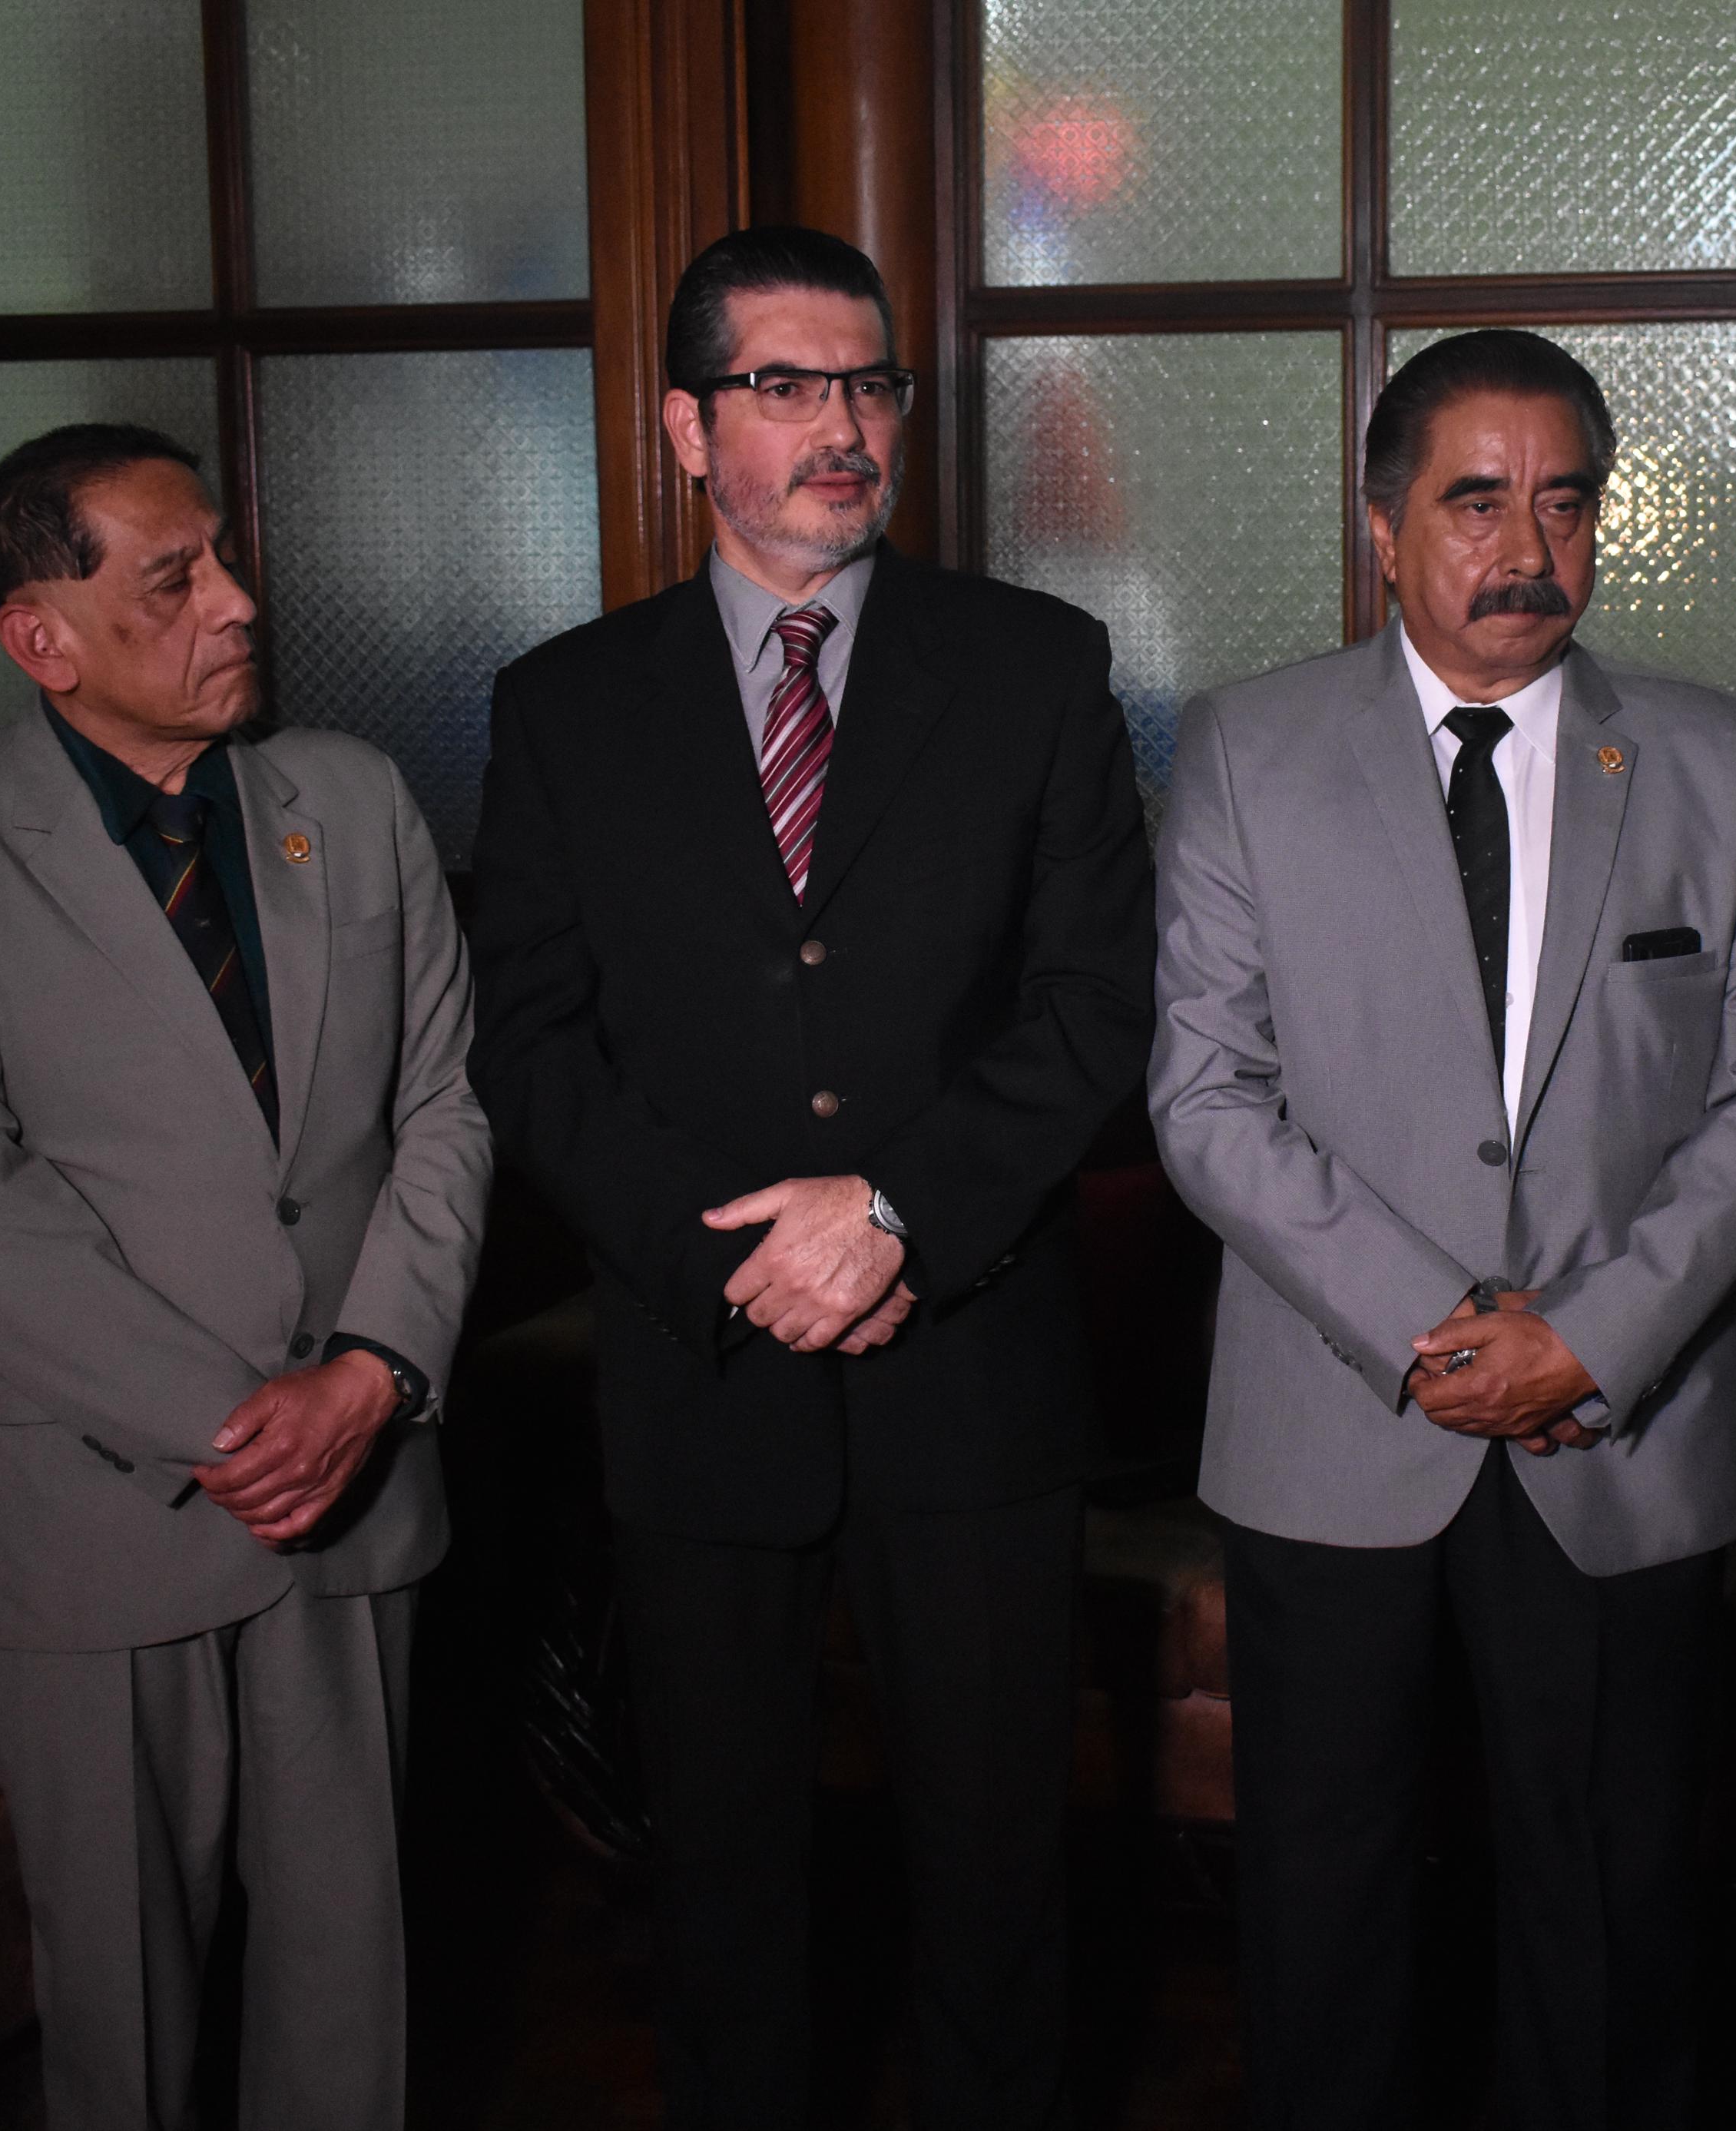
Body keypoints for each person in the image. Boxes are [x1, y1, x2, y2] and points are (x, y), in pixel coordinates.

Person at [468, 225, 1154, 2130]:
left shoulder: (1034, 667)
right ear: (688, 425)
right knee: (726, 1889)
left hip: (975, 1366)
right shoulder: (564, 706)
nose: (841, 426)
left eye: (869, 385)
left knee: (1001, 1880)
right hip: (702, 1377)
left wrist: (892, 1211)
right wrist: (738, 1260)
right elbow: (530, 1044)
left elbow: (1100, 1007)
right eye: (785, 386)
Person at [1148, 329, 1736, 2129]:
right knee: (1327, 1919)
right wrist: (1442, 1324)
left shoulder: (1724, 762)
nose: (1527, 542)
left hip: (1627, 1426)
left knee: (1611, 1924)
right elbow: (1205, 1095)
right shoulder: (1245, 751)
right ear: (1381, 527)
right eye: (1474, 498)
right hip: (1338, 1428)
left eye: (1566, 498)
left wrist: (1588, 1336)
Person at [0, 424, 490, 2131]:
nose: (237, 600)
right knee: (120, 2020)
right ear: (41, 635)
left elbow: (441, 1110)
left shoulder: (350, 798)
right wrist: (228, 1417)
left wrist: (366, 1375)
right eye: (175, 577)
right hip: (98, 1520)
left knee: (355, 2007)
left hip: (357, 1496)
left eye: (222, 556)